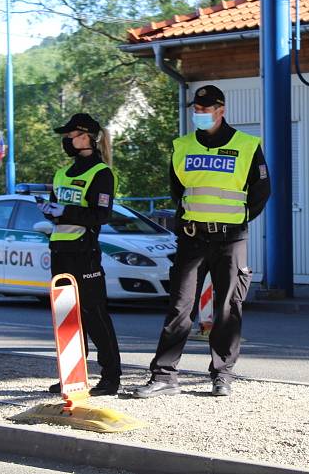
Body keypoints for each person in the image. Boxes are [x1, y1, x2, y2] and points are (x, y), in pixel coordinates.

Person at [134, 84, 271, 398]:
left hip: (230, 238)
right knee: (180, 307)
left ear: (221, 111)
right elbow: (177, 191)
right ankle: (164, 377)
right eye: (196, 110)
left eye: (206, 110)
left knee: (227, 308)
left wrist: (237, 218)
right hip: (193, 237)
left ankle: (222, 375)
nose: (200, 115)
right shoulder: (182, 146)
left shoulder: (247, 145)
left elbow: (262, 191)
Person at [37, 112, 122, 396]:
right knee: (66, 316)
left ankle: (111, 377)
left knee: (94, 314)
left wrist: (67, 211)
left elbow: (101, 215)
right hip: (60, 250)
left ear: (87, 137)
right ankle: (72, 375)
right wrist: (51, 212)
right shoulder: (61, 174)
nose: (67, 141)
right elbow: (57, 209)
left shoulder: (101, 173)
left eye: (71, 135)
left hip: (84, 252)